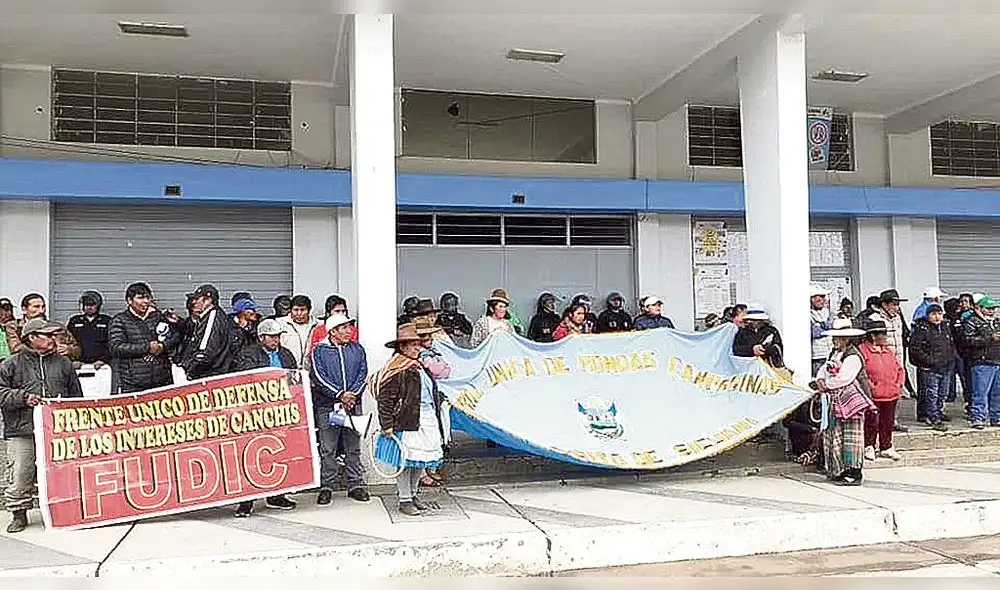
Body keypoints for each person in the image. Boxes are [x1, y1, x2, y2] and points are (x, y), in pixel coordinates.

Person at [0, 319, 84, 532]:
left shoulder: (64, 363)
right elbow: (1, 393)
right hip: (22, 429)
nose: (53, 339)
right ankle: (19, 513)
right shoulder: (11, 363)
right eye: (47, 335)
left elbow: (76, 395)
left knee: (61, 472)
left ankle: (64, 509)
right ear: (32, 338)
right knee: (21, 471)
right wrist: (23, 397)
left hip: (56, 430)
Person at [372, 323, 448, 517]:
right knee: (406, 461)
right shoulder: (397, 368)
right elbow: (386, 399)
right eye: (413, 345)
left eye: (418, 344)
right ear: (403, 347)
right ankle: (404, 499)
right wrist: (387, 424)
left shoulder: (420, 366)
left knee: (419, 461)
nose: (417, 348)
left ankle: (413, 495)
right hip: (408, 420)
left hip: (426, 418)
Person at [230, 318, 299, 516]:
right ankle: (246, 501)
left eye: (277, 336)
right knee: (252, 455)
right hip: (256, 412)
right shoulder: (248, 354)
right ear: (261, 337)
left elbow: (294, 379)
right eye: (272, 337)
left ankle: (276, 495)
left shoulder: (286, 354)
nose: (276, 340)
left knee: (277, 453)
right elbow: (245, 380)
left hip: (280, 411)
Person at [309, 314, 370, 504]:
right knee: (328, 448)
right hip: (328, 406)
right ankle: (327, 486)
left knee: (353, 447)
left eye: (349, 327)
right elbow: (318, 377)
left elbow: (363, 374)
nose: (348, 331)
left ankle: (355, 484)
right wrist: (339, 394)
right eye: (343, 328)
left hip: (352, 405)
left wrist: (352, 395)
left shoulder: (357, 349)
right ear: (333, 331)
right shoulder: (319, 350)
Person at [813, 318, 873, 486]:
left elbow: (845, 377)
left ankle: (854, 471)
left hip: (850, 402)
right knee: (836, 435)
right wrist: (820, 379)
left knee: (851, 437)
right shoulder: (835, 353)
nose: (834, 340)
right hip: (836, 400)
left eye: (837, 337)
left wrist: (826, 385)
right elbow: (824, 369)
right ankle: (839, 469)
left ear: (846, 339)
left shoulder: (853, 356)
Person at [107, 282, 179, 394]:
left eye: (148, 297)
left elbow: (176, 336)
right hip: (132, 384)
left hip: (162, 380)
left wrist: (162, 346)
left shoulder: (159, 317)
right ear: (129, 300)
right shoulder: (119, 320)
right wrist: (147, 348)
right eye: (140, 298)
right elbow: (115, 347)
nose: (145, 301)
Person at [414, 316, 452, 488]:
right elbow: (438, 369)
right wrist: (439, 366)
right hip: (421, 400)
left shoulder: (433, 353)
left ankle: (431, 468)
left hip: (433, 397)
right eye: (425, 337)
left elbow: (446, 371)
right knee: (422, 438)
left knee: (435, 435)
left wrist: (440, 366)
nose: (429, 340)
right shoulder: (422, 355)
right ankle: (422, 472)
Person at [859, 320, 905, 461]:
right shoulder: (863, 351)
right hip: (873, 395)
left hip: (891, 393)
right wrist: (871, 387)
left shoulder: (888, 351)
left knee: (887, 421)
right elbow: (862, 373)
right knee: (871, 422)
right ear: (873, 336)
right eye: (883, 334)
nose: (885, 337)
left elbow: (899, 369)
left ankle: (886, 446)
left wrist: (898, 384)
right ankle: (869, 446)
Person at [910, 302, 956, 431]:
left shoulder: (946, 327)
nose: (937, 317)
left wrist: (951, 359)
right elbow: (915, 349)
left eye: (939, 314)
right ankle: (933, 416)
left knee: (943, 393)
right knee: (931, 394)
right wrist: (930, 361)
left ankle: (938, 411)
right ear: (928, 315)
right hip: (930, 368)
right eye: (933, 314)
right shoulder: (922, 328)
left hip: (946, 366)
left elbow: (951, 344)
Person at [960, 295, 1000, 429]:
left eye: (993, 308)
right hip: (981, 362)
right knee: (980, 393)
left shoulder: (997, 322)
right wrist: (990, 338)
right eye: (988, 308)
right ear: (979, 308)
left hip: (997, 361)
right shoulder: (971, 322)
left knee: (997, 393)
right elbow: (967, 340)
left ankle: (996, 417)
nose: (991, 311)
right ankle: (978, 418)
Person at [4, 293, 82, 362]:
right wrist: (50, 349)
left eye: (43, 307)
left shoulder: (57, 326)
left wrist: (69, 350)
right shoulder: (14, 326)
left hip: (57, 366)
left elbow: (78, 350)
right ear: (24, 310)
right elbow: (16, 349)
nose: (41, 311)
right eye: (36, 307)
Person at [179, 284, 234, 380]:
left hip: (211, 375)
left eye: (197, 299)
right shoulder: (205, 317)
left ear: (208, 300)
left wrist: (189, 371)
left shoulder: (213, 317)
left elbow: (205, 352)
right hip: (210, 373)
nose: (193, 302)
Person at [67, 290, 112, 365]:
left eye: (92, 304)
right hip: (78, 364)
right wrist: (73, 359)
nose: (89, 307)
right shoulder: (74, 321)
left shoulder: (106, 321)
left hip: (101, 364)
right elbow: (67, 341)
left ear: (98, 305)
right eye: (86, 304)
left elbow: (112, 343)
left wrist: (103, 360)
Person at [278, 295, 320, 367]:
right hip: (287, 367)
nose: (299, 313)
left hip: (311, 369)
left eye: (302, 310)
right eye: (296, 310)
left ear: (309, 310)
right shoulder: (280, 323)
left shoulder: (318, 325)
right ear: (290, 310)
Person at [809, 285, 835, 377]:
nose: (824, 300)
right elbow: (812, 332)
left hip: (830, 353)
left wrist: (822, 326)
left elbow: (834, 325)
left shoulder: (826, 312)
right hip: (817, 356)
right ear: (812, 298)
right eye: (821, 296)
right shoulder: (806, 313)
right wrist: (827, 326)